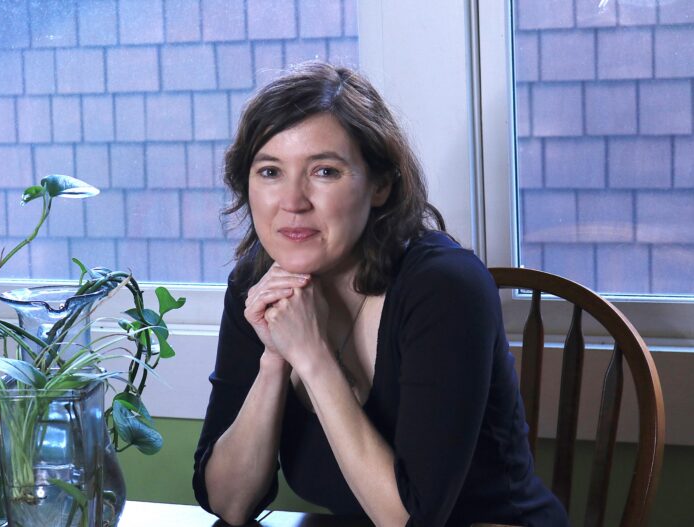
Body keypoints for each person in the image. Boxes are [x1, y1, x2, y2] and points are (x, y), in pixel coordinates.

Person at [192, 62, 568, 527]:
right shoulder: (258, 289)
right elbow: (229, 504)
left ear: (381, 185)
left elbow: (409, 521)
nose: (292, 201)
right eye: (270, 171)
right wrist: (273, 361)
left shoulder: (445, 288)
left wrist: (311, 355)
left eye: (324, 171)